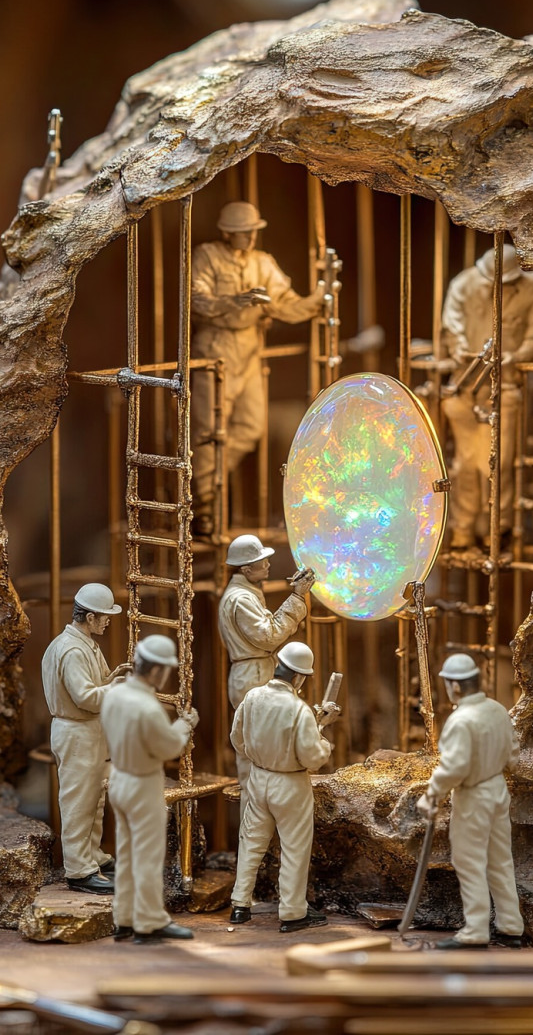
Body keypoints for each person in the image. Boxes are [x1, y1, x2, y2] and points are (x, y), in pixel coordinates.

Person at [190, 201, 324, 536]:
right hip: (216, 345)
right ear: (227, 233)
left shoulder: (262, 263)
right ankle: (203, 503)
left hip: (249, 347)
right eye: (241, 233)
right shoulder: (207, 256)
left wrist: (315, 302)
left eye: (252, 233)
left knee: (250, 425)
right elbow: (195, 299)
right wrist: (232, 301)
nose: (248, 238)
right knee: (209, 430)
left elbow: (284, 303)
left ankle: (211, 483)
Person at [440, 245, 533, 551]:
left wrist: (516, 356)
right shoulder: (464, 284)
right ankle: (463, 529)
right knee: (465, 463)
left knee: (497, 464)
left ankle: (496, 528)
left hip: (505, 390)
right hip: (465, 388)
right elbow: (452, 323)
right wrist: (459, 347)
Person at [228, 641, 339, 933]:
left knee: (251, 841)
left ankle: (240, 904)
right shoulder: (298, 709)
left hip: (258, 777)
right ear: (300, 677)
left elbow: (236, 738)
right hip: (289, 783)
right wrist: (324, 739)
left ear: (278, 665)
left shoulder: (252, 697)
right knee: (294, 846)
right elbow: (312, 757)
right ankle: (291, 911)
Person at [417, 653, 524, 949]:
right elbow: (514, 755)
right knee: (500, 859)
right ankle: (511, 925)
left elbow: (454, 767)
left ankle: (476, 929)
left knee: (469, 860)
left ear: (454, 686)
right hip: (498, 789)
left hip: (474, 794)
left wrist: (432, 794)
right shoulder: (498, 710)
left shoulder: (460, 720)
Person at [101, 634, 199, 944]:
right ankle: (148, 920)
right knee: (147, 854)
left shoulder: (115, 695)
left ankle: (125, 917)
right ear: (157, 671)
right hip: (142, 783)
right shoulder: (147, 707)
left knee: (127, 852)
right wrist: (185, 724)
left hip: (118, 777)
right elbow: (168, 747)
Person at [41, 583, 131, 894]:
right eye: (105, 616)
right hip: (77, 731)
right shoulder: (73, 650)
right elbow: (85, 697)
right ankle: (78, 869)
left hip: (89, 732)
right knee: (79, 802)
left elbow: (95, 686)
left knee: (94, 800)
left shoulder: (85, 644)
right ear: (90, 617)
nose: (108, 621)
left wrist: (114, 677)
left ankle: (92, 856)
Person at [218, 534, 315, 809]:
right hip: (252, 675)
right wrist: (296, 598)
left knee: (264, 743)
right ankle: (257, 814)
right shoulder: (240, 599)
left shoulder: (246, 594)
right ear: (246, 569)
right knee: (256, 750)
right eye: (262, 561)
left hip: (254, 670)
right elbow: (269, 635)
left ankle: (263, 812)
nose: (268, 564)